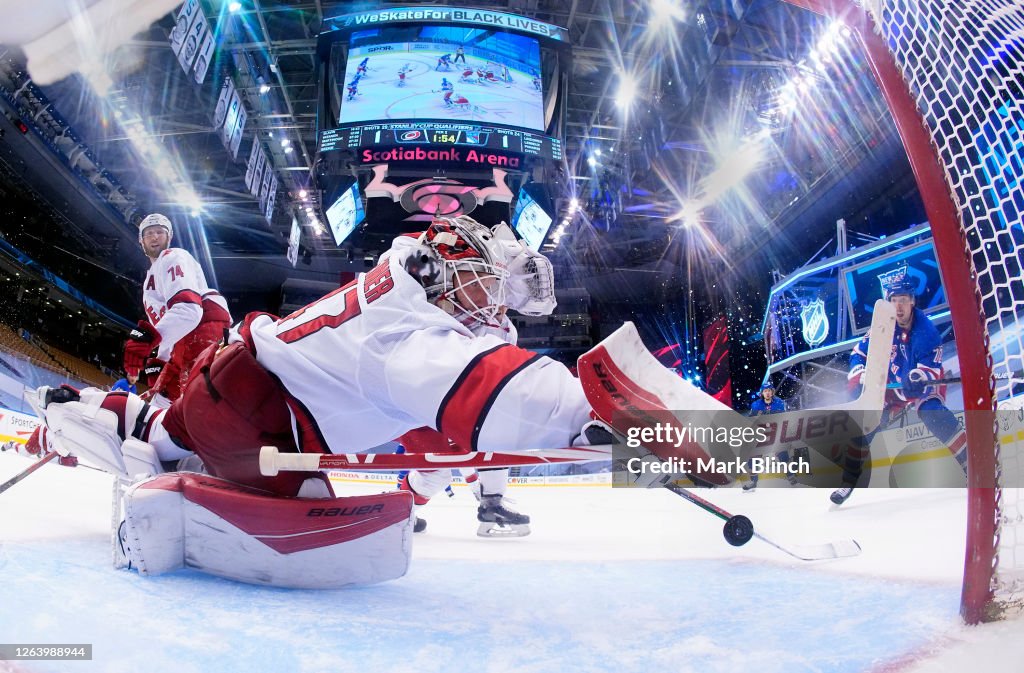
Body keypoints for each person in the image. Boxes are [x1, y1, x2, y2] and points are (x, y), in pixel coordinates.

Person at [39, 215, 592, 501]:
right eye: (483, 287)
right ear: (447, 272)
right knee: (277, 483)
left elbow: (436, 426)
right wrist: (614, 421)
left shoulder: (403, 282)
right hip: (261, 415)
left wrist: (415, 490)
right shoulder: (412, 333)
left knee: (170, 427)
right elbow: (505, 399)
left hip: (238, 378)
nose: (491, 308)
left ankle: (102, 413)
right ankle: (120, 433)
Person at [392, 226, 558, 536]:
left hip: (447, 398)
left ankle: (488, 505)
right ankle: (401, 511)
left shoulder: (504, 327)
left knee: (489, 435)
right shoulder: (437, 302)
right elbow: (405, 249)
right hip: (415, 399)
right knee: (442, 468)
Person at [831, 279, 966, 505]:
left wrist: (918, 377)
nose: (899, 306)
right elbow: (858, 354)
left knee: (932, 413)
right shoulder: (883, 326)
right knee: (865, 427)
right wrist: (860, 375)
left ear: (912, 301)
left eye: (903, 300)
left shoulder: (926, 331)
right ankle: (848, 481)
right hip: (890, 387)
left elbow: (930, 370)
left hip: (918, 384)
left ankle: (970, 463)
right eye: (894, 301)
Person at [122, 213, 231, 408]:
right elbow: (173, 324)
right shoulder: (150, 279)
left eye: (159, 232)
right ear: (141, 240)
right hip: (183, 344)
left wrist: (145, 339)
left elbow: (188, 310)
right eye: (149, 234)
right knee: (161, 410)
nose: (155, 237)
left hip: (200, 332)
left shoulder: (173, 256)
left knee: (194, 413)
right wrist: (161, 359)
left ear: (169, 237)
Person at [741, 381, 793, 491]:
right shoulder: (755, 405)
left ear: (772, 392)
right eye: (765, 391)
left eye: (769, 390)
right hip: (761, 435)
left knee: (782, 453)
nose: (767, 393)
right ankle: (753, 481)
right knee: (753, 457)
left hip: (775, 433)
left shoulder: (779, 403)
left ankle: (790, 476)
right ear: (762, 393)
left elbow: (784, 418)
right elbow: (751, 421)